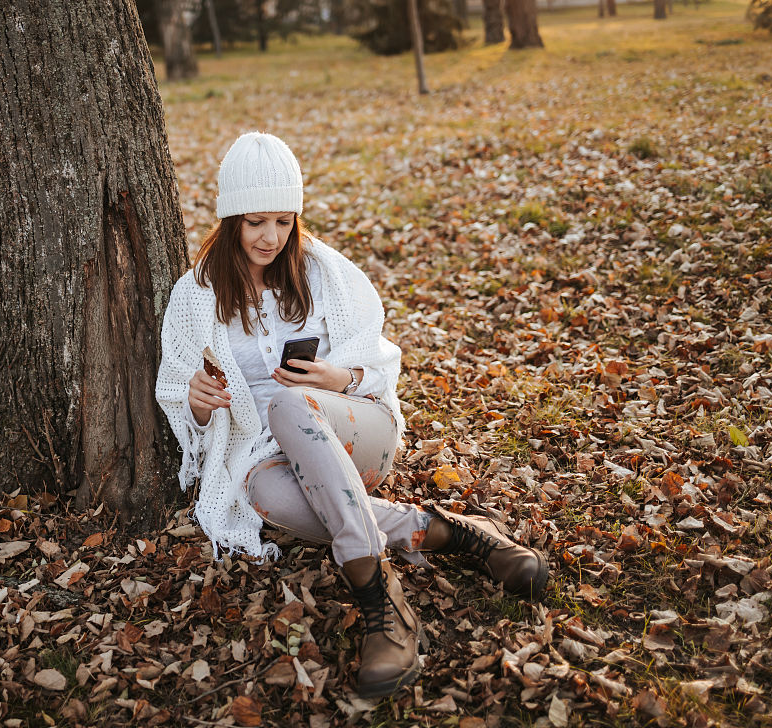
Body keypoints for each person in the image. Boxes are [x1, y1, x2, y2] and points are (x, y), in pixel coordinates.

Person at [155, 132, 548, 698]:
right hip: (266, 456)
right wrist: (197, 403)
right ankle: (451, 532)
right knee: (267, 497)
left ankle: (378, 602)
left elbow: (380, 361)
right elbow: (178, 393)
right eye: (256, 222)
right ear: (230, 218)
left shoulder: (323, 273)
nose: (271, 238)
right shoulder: (195, 296)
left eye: (284, 221)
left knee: (290, 403)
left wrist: (338, 379)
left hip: (357, 430)